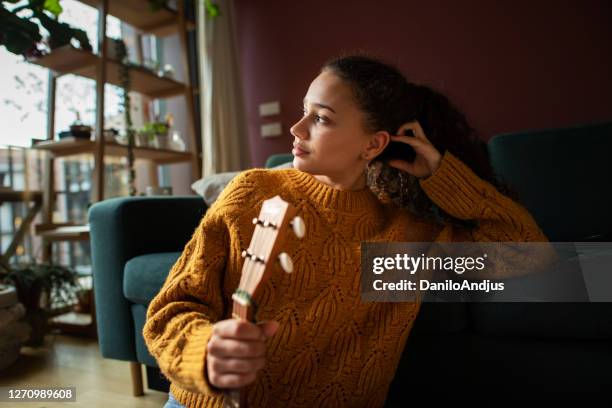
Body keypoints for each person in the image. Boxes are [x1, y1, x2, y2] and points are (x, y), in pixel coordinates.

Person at [144, 54, 548, 408]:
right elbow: (169, 311)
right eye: (304, 110)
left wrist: (442, 176)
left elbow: (532, 254)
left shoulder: (412, 233)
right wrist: (205, 352)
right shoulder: (253, 191)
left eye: (320, 118)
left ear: (373, 145)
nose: (297, 129)